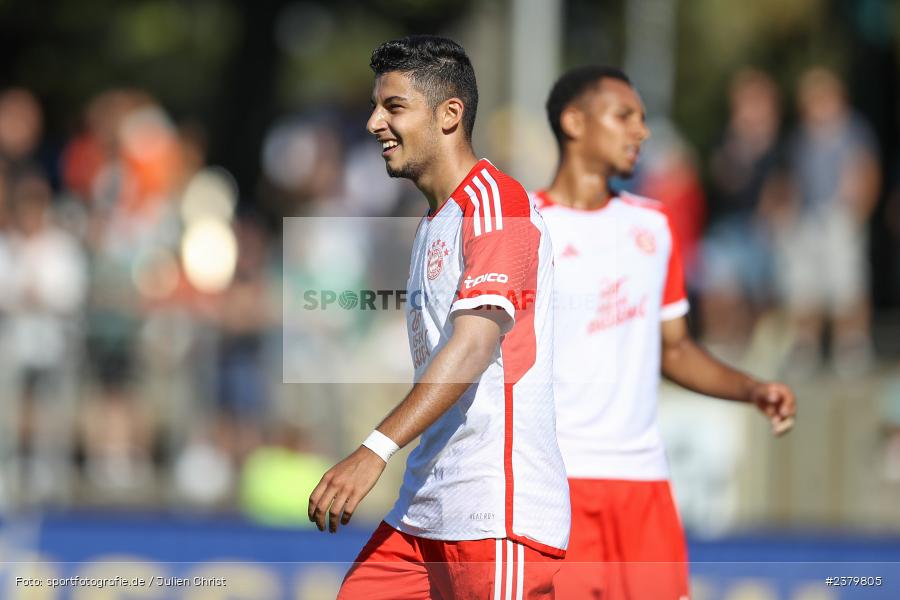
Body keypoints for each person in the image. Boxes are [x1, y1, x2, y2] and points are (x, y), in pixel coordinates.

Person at [308, 36, 569, 599]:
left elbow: (473, 347)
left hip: (493, 513)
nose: (375, 122)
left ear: (450, 114)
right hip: (426, 511)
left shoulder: (497, 206)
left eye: (394, 107)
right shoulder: (435, 220)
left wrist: (374, 449)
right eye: (376, 106)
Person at [534, 66, 798, 600]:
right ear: (574, 121)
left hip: (645, 486)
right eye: (625, 116)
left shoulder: (652, 226)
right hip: (555, 485)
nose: (642, 132)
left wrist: (751, 389)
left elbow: (673, 349)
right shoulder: (524, 225)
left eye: (644, 119)